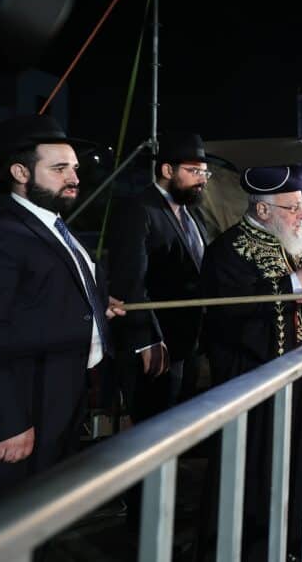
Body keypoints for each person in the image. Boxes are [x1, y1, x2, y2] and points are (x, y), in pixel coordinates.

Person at [199, 165, 302, 560]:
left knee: (301, 474)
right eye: (294, 207)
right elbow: (232, 318)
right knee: (257, 479)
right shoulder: (227, 251)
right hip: (254, 385)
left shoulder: (291, 242)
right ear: (264, 211)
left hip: (300, 380)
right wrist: (301, 280)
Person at [0, 115, 125, 501]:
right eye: (59, 168)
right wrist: (8, 420)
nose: (74, 178)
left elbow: (44, 292)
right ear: (20, 172)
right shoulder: (0, 233)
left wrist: (97, 306)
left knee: (46, 508)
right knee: (12, 517)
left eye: (75, 168)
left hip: (64, 393)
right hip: (26, 402)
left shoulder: (53, 225)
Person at [107, 132, 210, 423]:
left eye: (204, 173)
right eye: (193, 171)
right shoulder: (139, 210)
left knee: (182, 426)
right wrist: (146, 341)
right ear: (167, 170)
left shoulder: (194, 215)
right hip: (156, 345)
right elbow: (130, 281)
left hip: (189, 343)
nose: (202, 179)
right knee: (154, 429)